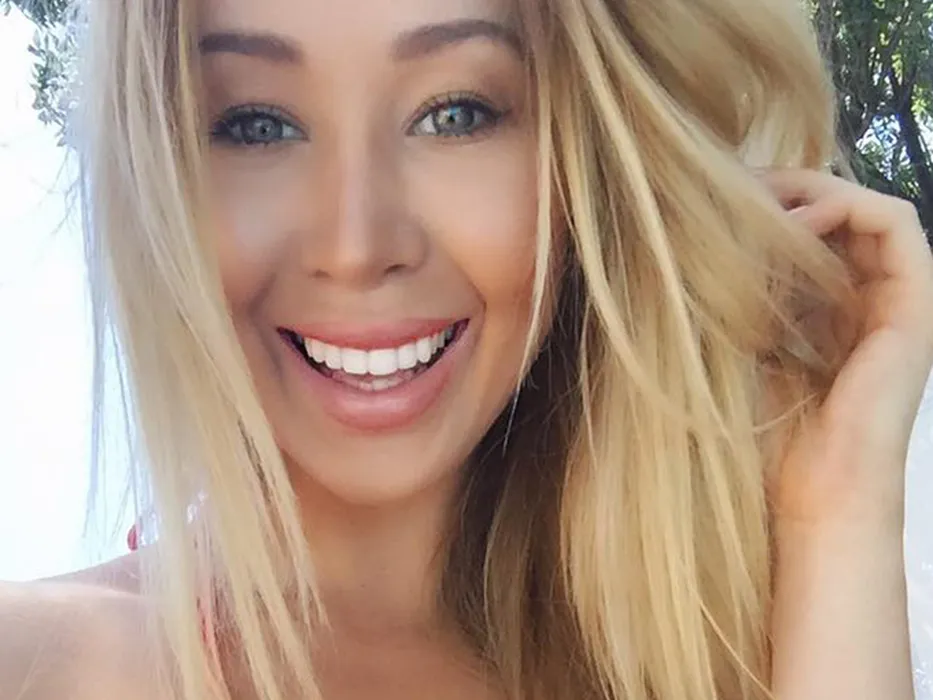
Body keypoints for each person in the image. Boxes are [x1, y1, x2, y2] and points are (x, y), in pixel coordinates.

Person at [2, 0, 932, 698]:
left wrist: (837, 510)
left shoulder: (709, 655)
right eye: (256, 123)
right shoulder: (43, 663)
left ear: (589, 162)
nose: (356, 245)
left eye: (453, 114)